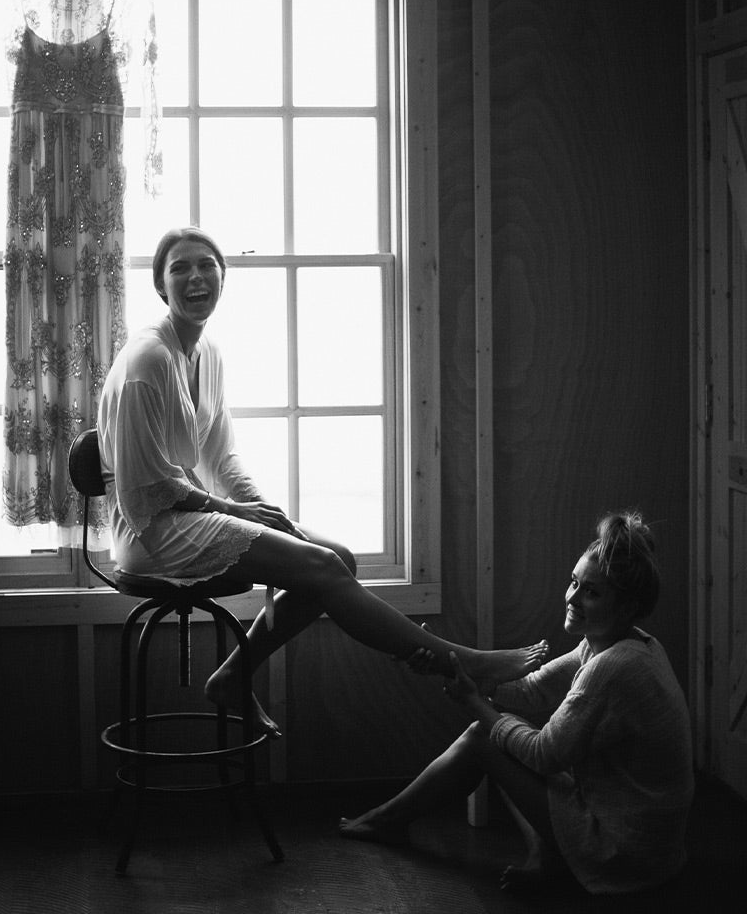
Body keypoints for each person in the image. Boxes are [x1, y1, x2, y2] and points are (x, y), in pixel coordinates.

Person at [97, 226, 548, 736]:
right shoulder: (147, 360)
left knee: (340, 560)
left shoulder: (209, 354)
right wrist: (239, 514)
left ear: (223, 277)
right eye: (180, 268)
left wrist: (267, 510)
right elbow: (145, 489)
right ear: (160, 286)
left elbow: (223, 457)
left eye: (206, 265)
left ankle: (232, 677)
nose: (196, 276)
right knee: (323, 567)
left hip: (197, 514)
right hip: (152, 532)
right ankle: (463, 662)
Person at [340, 509, 694, 896]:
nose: (573, 597)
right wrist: (444, 668)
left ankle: (388, 821)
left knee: (485, 737)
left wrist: (474, 703)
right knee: (501, 737)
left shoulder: (615, 667)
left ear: (625, 607)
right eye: (574, 582)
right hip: (650, 847)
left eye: (591, 592)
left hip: (624, 856)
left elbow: (543, 755)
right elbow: (529, 691)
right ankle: (546, 856)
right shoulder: (618, 644)